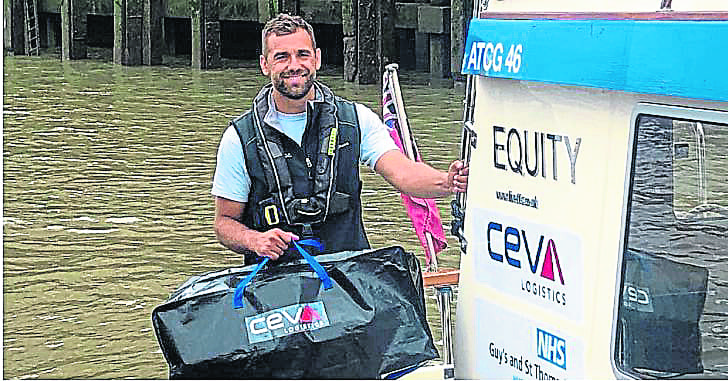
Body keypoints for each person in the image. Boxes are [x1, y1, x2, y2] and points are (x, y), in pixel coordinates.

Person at [212, 13, 468, 265]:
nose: (294, 65)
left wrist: (447, 182)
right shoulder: (239, 138)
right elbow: (224, 223)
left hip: (348, 281)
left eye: (303, 54)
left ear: (317, 59)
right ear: (264, 64)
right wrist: (254, 240)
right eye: (282, 57)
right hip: (273, 286)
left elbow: (404, 174)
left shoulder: (356, 119)